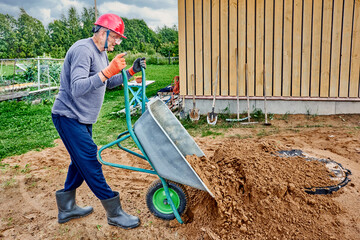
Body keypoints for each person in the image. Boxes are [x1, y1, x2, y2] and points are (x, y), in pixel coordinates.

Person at [51, 13, 146, 229]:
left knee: (79, 162)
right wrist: (106, 71)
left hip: (82, 118)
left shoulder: (100, 52)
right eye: (116, 37)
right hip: (68, 116)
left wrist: (130, 70)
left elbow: (107, 82)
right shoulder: (83, 50)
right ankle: (115, 213)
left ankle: (66, 208)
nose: (117, 42)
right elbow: (77, 87)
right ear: (103, 33)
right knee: (90, 162)